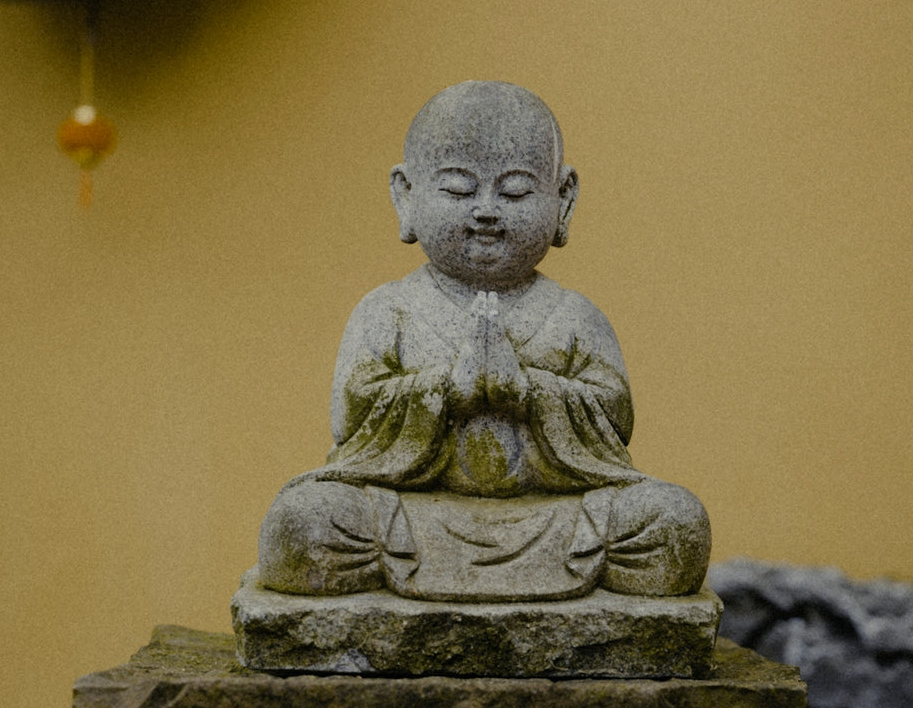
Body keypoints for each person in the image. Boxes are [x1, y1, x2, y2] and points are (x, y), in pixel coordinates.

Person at [259, 80, 710, 602]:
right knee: (301, 525)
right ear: (406, 195)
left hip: (551, 518)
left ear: (563, 199)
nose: (487, 210)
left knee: (675, 523)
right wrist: (448, 390)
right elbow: (352, 417)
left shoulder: (576, 317)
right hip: (412, 517)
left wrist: (528, 391)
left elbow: (615, 421)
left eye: (515, 192)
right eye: (458, 190)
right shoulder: (388, 311)